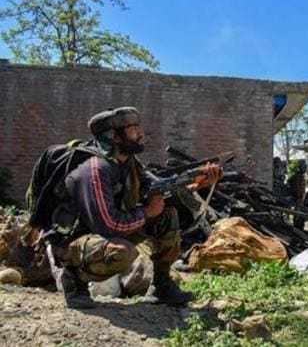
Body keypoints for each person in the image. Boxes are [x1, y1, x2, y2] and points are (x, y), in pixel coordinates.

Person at [45, 107, 223, 309]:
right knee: (123, 252)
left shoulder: (129, 164)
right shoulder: (96, 168)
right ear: (115, 136)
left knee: (166, 214)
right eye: (133, 129)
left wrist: (194, 184)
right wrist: (147, 212)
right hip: (72, 242)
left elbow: (158, 188)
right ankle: (74, 281)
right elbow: (108, 224)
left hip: (100, 234)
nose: (140, 134)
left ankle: (161, 286)